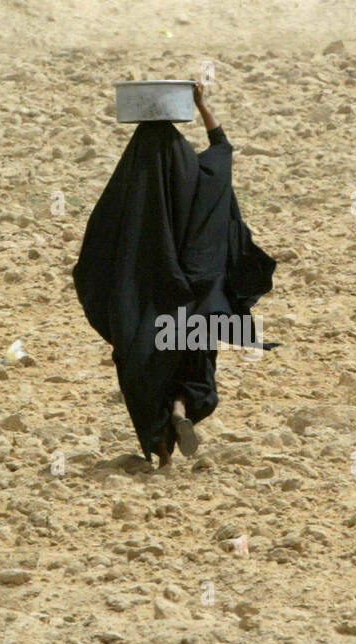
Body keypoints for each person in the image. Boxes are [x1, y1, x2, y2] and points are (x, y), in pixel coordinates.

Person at [73, 80, 277, 468]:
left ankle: (162, 454)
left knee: (146, 371)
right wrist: (202, 107)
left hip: (143, 307)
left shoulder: (130, 182)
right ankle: (182, 410)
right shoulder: (194, 171)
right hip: (194, 301)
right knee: (191, 361)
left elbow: (96, 248)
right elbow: (222, 152)